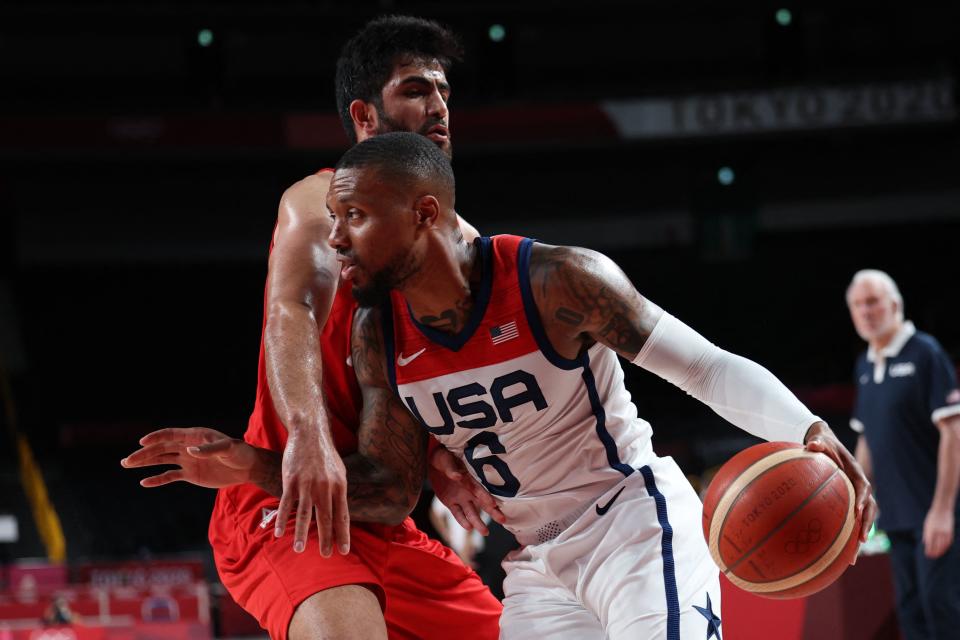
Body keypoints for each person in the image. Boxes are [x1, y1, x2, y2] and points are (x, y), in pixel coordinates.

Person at [325, 131, 877, 639]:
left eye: (354, 216)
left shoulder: (557, 281)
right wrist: (251, 472)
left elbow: (704, 368)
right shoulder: (377, 332)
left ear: (423, 212)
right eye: (333, 217)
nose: (335, 238)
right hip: (535, 562)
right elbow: (392, 489)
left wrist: (807, 425)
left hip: (630, 527)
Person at [123, 16, 501, 640]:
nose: (438, 106)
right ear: (365, 115)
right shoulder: (319, 200)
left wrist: (440, 453)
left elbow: (417, 394)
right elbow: (292, 307)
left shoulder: (464, 250)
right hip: (285, 500)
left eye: (443, 90)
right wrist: (307, 435)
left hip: (381, 515)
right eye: (414, 89)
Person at [847, 269, 960, 640]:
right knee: (911, 613)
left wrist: (943, 510)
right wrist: (852, 498)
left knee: (942, 609)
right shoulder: (865, 364)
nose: (866, 311)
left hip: (935, 513)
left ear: (895, 304)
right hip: (897, 515)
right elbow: (866, 441)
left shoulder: (925, 352)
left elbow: (953, 432)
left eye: (873, 301)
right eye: (858, 305)